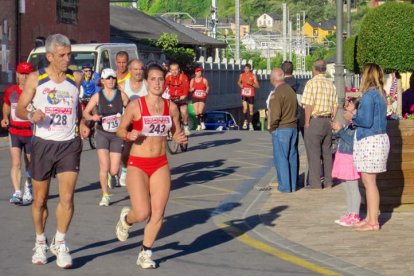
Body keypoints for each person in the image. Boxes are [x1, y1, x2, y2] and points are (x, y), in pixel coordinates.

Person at [16, 33, 90, 268]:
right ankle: (40, 241)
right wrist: (30, 114)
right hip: (43, 144)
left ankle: (60, 241)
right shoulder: (36, 79)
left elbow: (76, 107)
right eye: (62, 55)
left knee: (67, 197)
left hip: (69, 144)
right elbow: (19, 108)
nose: (67, 59)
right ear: (49, 56)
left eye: (69, 54)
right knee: (40, 200)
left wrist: (81, 123)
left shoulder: (76, 78)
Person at [115, 64, 187, 269]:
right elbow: (120, 130)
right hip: (137, 164)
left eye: (160, 79)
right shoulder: (136, 106)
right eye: (153, 79)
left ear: (165, 83)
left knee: (158, 213)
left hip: (160, 163)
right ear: (146, 82)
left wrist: (179, 138)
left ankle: (145, 252)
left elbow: (176, 132)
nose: (157, 83)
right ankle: (127, 220)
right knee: (142, 212)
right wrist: (128, 135)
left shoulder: (170, 107)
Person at [344, 63, 389, 232]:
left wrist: (352, 116)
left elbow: (367, 121)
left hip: (370, 140)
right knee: (368, 181)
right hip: (377, 139)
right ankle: (370, 218)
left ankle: (373, 222)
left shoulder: (369, 96)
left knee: (369, 182)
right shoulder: (379, 94)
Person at [83, 68, 129, 206]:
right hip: (102, 133)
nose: (111, 80)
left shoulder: (121, 95)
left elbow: (132, 108)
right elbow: (85, 112)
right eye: (108, 78)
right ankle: (105, 195)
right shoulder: (97, 96)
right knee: (104, 166)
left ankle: (112, 175)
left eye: (113, 78)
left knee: (114, 169)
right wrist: (93, 116)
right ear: (102, 81)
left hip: (117, 135)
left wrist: (127, 120)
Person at [301, 59, 338, 189]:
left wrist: (306, 122)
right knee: (327, 153)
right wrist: (332, 118)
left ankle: (316, 183)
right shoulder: (331, 84)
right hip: (327, 121)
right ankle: (329, 182)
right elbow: (335, 105)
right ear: (325, 69)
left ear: (314, 69)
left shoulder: (311, 84)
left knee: (314, 153)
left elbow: (308, 105)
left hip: (315, 120)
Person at [1, 62, 34, 205]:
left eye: (27, 74)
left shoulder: (35, 91)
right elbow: (7, 104)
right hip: (14, 131)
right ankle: (17, 192)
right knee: (15, 163)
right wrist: (4, 117)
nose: (24, 77)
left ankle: (28, 188)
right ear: (17, 74)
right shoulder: (11, 90)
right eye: (22, 73)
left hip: (30, 132)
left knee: (30, 163)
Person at [331, 97, 361, 227]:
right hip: (342, 155)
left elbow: (352, 141)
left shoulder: (357, 123)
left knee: (353, 188)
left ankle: (355, 214)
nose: (347, 105)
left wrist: (341, 130)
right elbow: (342, 136)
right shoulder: (349, 123)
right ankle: (349, 212)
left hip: (349, 157)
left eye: (350, 103)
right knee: (346, 187)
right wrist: (337, 130)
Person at [267, 68, 298, 193]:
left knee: (281, 158)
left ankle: (285, 186)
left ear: (273, 79)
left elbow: (274, 115)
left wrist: (271, 128)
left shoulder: (277, 93)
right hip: (293, 127)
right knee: (292, 157)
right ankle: (293, 185)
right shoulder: (290, 90)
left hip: (282, 128)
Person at [118, 59, 148, 186]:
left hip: (144, 122)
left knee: (146, 150)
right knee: (126, 151)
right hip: (128, 122)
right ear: (130, 71)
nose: (138, 72)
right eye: (135, 69)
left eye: (141, 69)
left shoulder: (147, 85)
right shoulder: (123, 85)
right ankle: (124, 169)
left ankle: (143, 174)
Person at [164, 62, 190, 135]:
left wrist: (184, 95)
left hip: (181, 98)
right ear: (170, 70)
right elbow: (164, 87)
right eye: (172, 70)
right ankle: (169, 128)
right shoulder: (168, 78)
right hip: (171, 98)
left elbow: (186, 87)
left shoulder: (183, 77)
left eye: (176, 70)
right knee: (168, 112)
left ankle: (185, 125)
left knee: (183, 111)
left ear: (179, 70)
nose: (174, 72)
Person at [238, 63, 260, 131]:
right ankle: (245, 121)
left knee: (251, 109)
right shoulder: (241, 75)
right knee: (245, 108)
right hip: (244, 93)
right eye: (245, 68)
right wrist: (240, 85)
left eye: (247, 68)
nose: (246, 70)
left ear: (250, 69)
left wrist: (251, 83)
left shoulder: (253, 76)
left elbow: (258, 86)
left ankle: (250, 123)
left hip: (251, 94)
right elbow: (238, 82)